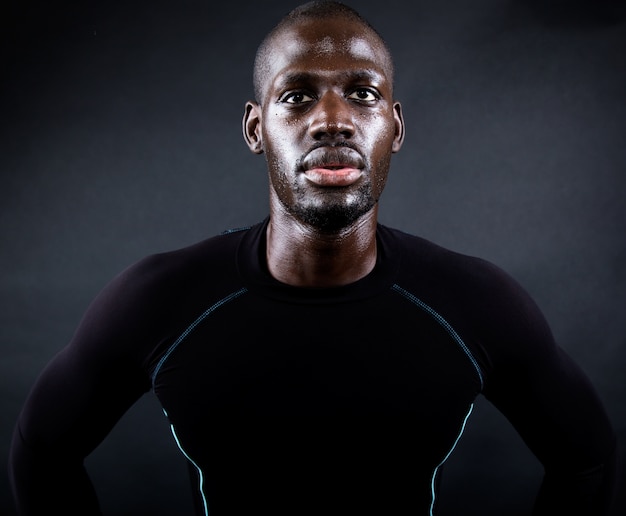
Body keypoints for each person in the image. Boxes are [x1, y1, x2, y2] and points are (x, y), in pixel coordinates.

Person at [8, 1, 618, 515]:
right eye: (298, 96)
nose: (333, 119)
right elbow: (42, 448)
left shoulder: (476, 303)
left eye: (363, 93)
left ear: (395, 127)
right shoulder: (159, 299)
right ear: (256, 129)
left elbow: (585, 459)